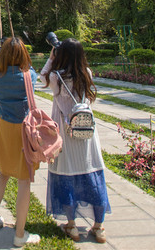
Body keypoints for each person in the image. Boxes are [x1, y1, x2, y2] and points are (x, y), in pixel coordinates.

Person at [45, 38, 110, 244]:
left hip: (65, 133)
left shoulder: (56, 77)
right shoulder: (86, 74)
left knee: (66, 175)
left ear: (60, 55)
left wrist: (50, 58)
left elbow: (42, 77)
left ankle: (71, 225)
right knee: (91, 174)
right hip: (86, 132)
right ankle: (98, 227)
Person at [0, 37, 42, 247]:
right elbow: (30, 69)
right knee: (24, 180)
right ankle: (20, 234)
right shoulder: (28, 76)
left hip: (3, 127)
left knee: (3, 173)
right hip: (23, 130)